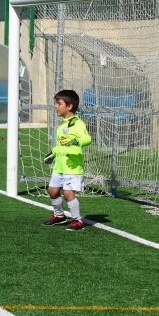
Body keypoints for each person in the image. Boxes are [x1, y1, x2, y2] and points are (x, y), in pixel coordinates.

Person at [42, 89, 92, 231]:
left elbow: (87, 139)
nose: (56, 107)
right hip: (60, 166)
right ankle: (59, 216)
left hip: (72, 166)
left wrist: (74, 142)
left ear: (69, 106)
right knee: (52, 190)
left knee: (68, 193)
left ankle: (78, 220)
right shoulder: (63, 124)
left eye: (59, 103)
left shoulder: (77, 123)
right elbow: (61, 145)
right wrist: (54, 153)